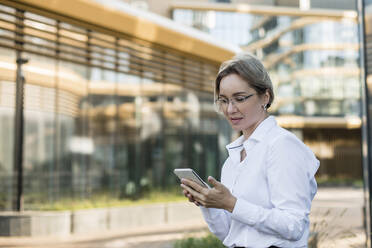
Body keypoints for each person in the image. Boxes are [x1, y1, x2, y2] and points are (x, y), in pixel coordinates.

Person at [180, 54, 319, 248]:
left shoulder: (282, 145)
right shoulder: (233, 159)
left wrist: (231, 203)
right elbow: (229, 233)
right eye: (224, 100)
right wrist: (208, 203)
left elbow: (293, 225)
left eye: (239, 98)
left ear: (265, 96)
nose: (230, 109)